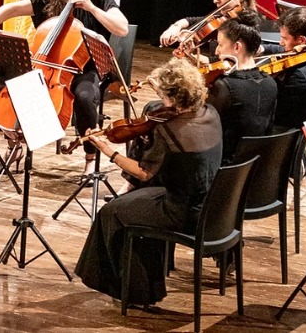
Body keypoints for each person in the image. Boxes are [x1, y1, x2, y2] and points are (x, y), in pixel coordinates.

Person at [75, 58, 223, 306]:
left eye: (164, 96)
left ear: (174, 99)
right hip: (210, 203)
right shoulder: (210, 113)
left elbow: (144, 172)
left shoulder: (170, 131)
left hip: (181, 212)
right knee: (133, 203)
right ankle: (144, 288)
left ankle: (129, 291)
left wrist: (108, 151)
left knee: (111, 212)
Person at [0, 0, 130, 174]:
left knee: (84, 96)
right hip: (48, 65)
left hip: (85, 68)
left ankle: (90, 158)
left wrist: (91, 8)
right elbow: (10, 8)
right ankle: (15, 145)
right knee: (6, 83)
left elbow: (121, 28)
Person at [204, 16, 278, 162]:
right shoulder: (271, 83)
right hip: (252, 167)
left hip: (223, 167)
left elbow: (204, 130)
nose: (217, 52)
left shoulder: (224, 87)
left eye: (220, 45)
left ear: (237, 47)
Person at [157, 0, 258, 58]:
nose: (215, 0)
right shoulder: (223, 16)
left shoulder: (246, 28)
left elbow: (226, 65)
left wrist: (195, 57)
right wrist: (176, 27)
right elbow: (193, 20)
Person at [268, 6, 306, 131]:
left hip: (279, 133)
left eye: (284, 38)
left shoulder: (300, 76)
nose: (280, 42)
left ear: (302, 40)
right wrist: (261, 49)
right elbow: (281, 49)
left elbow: (272, 107)